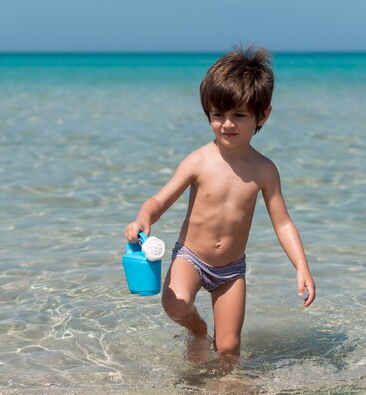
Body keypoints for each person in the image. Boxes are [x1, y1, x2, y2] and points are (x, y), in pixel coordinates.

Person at [125, 45, 315, 363]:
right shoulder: (199, 161)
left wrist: (302, 267)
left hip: (231, 270)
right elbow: (159, 200)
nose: (227, 124)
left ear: (262, 115)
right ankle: (197, 329)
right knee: (176, 304)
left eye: (238, 115)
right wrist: (143, 217)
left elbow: (282, 222)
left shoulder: (264, 170)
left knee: (228, 350)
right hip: (191, 257)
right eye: (218, 115)